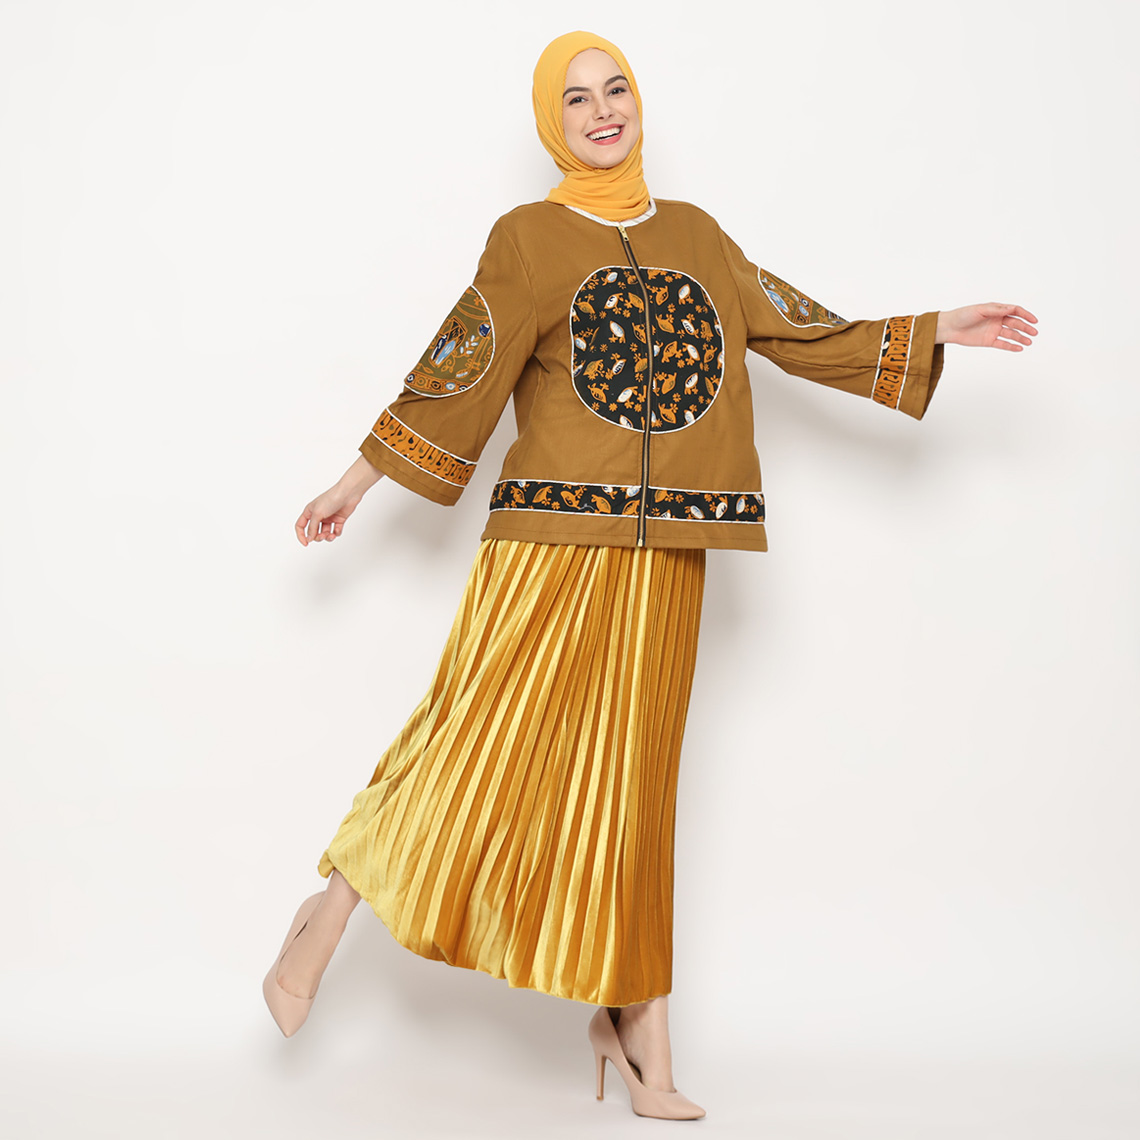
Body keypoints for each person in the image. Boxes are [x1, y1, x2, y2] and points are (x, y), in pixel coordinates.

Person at [262, 30, 1038, 1121]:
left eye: (615, 89)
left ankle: (639, 1023)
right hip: (548, 545)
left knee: (635, 787)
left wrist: (934, 328)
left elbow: (794, 327)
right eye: (576, 99)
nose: (602, 111)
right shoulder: (528, 238)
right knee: (473, 742)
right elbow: (459, 369)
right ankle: (330, 913)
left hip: (672, 548)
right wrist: (356, 482)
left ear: (638, 102)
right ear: (554, 122)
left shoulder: (697, 235)